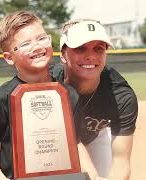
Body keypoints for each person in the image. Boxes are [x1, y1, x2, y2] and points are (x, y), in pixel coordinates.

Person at [0, 11, 80, 180]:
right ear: (9, 58)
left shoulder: (68, 94)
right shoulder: (2, 97)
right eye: (25, 44)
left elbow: (77, 143)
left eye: (42, 38)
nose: (37, 47)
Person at [50, 19, 138, 179]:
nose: (90, 56)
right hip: (52, 142)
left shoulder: (121, 96)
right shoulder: (47, 84)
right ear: (63, 55)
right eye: (80, 48)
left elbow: (121, 162)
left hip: (93, 139)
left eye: (99, 49)